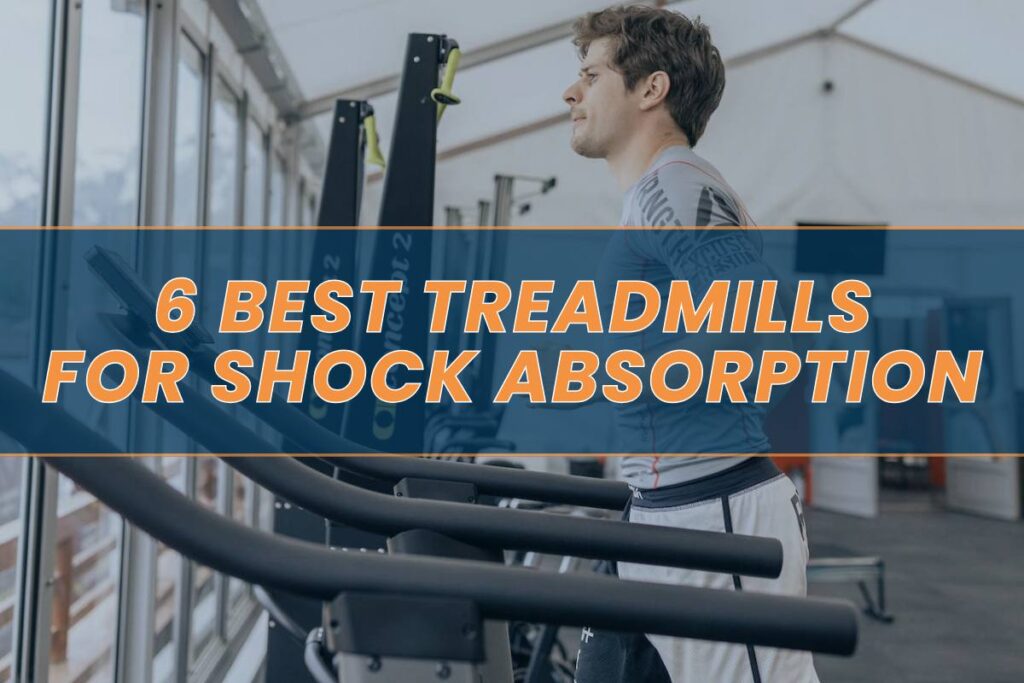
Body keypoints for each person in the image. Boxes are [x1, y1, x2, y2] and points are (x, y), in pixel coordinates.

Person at [556, 6, 817, 682]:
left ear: (651, 89)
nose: (570, 92)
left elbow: (762, 331)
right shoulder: (653, 194)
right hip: (669, 508)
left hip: (714, 514)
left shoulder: (675, 183)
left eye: (590, 75)